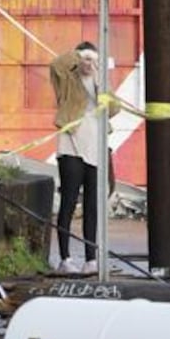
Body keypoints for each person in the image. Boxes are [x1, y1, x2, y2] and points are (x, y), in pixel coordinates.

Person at [49, 41, 114, 275]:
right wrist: (79, 55)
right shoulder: (67, 79)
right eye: (86, 59)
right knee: (68, 200)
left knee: (92, 205)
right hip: (71, 146)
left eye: (93, 60)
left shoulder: (101, 82)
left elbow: (114, 109)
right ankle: (65, 258)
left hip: (95, 147)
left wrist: (99, 86)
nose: (90, 64)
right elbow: (56, 64)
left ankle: (90, 259)